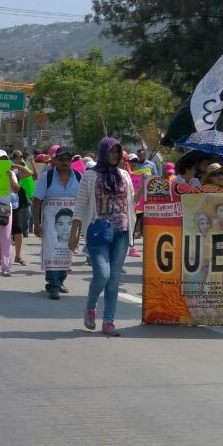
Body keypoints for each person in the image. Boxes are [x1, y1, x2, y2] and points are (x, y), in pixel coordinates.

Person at [69, 137, 137, 337]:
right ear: (102, 153)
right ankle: (90, 307)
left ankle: (109, 321)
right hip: (98, 231)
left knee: (114, 279)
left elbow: (131, 202)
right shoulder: (90, 176)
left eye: (117, 152)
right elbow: (80, 206)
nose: (114, 156)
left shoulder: (124, 175)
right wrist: (74, 234)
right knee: (103, 274)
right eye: (111, 152)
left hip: (121, 232)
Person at [33, 147, 81, 299]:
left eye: (68, 159)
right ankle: (52, 285)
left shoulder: (79, 177)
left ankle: (60, 280)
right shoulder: (46, 177)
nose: (64, 162)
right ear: (54, 160)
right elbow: (36, 201)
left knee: (66, 251)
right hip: (51, 224)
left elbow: (83, 201)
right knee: (52, 251)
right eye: (61, 159)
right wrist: (36, 223)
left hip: (71, 223)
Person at [9, 152, 36, 267]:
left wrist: (18, 166)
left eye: (22, 157)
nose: (21, 159)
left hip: (16, 204)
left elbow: (31, 173)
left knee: (19, 231)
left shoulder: (17, 172)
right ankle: (2, 257)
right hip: (2, 204)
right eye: (19, 157)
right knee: (2, 234)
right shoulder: (0, 172)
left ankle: (18, 256)